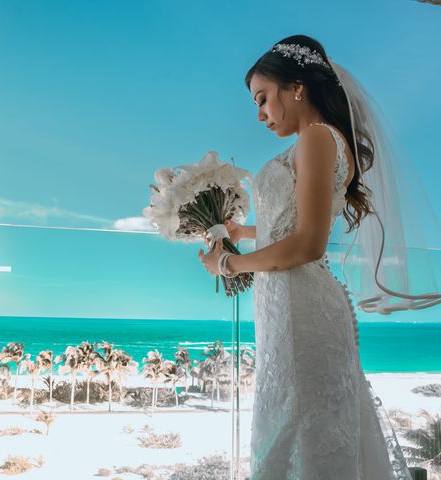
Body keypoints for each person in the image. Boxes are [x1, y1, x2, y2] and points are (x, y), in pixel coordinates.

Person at [198, 35, 414, 479]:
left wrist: (227, 263)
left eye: (262, 98)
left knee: (299, 430)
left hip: (300, 306)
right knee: (291, 428)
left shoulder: (317, 138)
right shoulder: (315, 140)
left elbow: (308, 243)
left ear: (296, 87)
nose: (259, 114)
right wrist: (244, 232)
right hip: (286, 305)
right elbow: (295, 220)